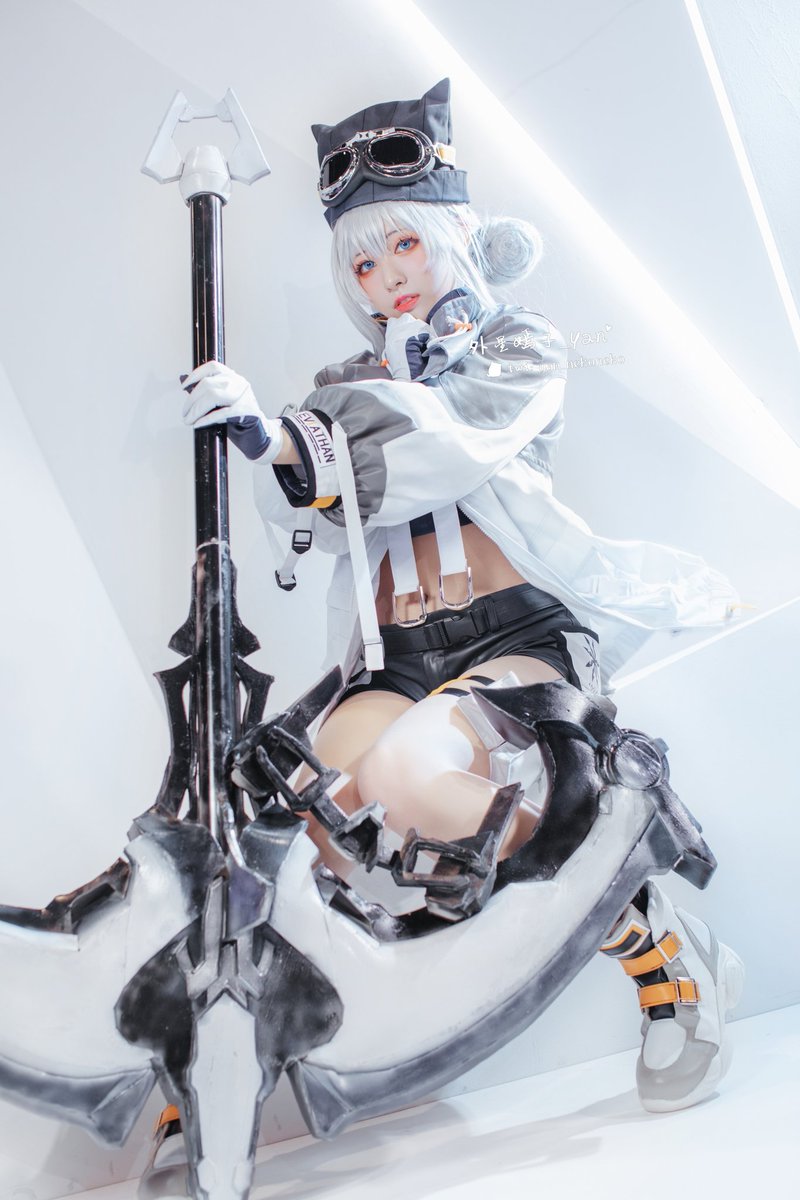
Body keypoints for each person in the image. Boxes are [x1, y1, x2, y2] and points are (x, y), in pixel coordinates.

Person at [178, 79, 743, 1122]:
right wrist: (262, 442)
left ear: (449, 238)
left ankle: (658, 941)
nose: (385, 276)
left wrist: (290, 436)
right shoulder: (343, 379)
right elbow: (314, 511)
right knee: (299, 815)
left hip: (510, 634)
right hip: (393, 655)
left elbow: (443, 440)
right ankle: (260, 1035)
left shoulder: (513, 346)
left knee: (413, 775)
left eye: (403, 245)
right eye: (362, 261)